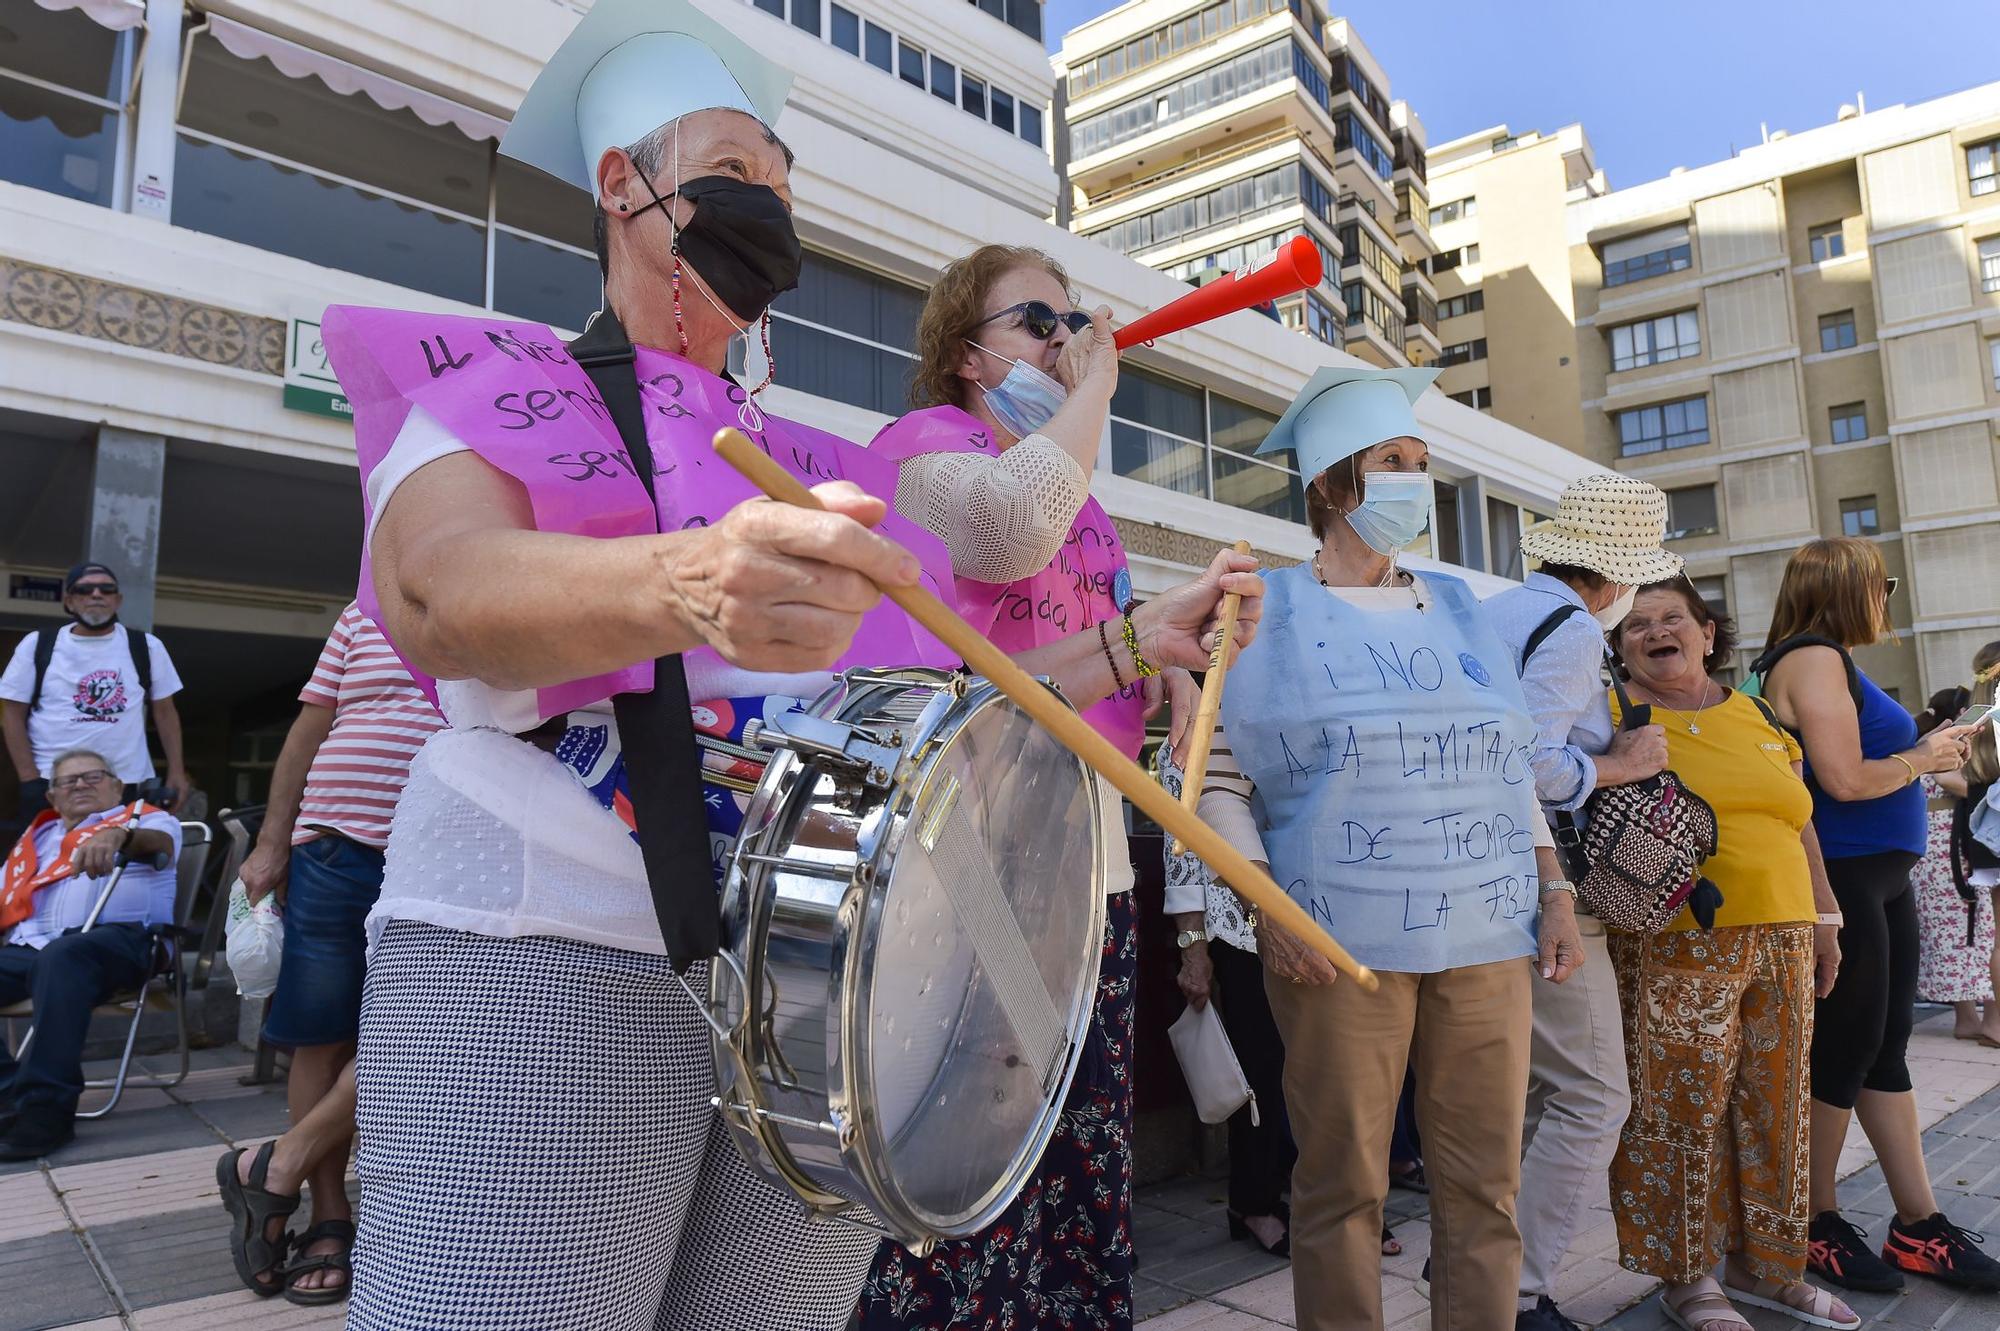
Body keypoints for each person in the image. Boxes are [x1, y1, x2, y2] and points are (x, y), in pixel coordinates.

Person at [322, 5, 1262, 1327]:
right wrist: (682, 582)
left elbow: (940, 695)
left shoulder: (820, 459)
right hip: (557, 930)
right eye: (735, 168)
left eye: (780, 181)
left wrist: (1130, 638)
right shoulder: (495, 385)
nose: (766, 202)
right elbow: (438, 588)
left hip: (816, 980)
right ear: (623, 183)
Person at [1200, 365, 1584, 1331]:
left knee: (1484, 1190)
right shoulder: (1260, 609)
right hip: (1334, 950)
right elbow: (1215, 780)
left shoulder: (1460, 606)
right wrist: (1267, 909)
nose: (1415, 480)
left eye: (1421, 461)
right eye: (1391, 462)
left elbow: (1503, 763)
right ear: (1330, 484)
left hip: (1489, 938)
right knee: (1339, 1191)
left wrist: (1556, 886)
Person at [856, 242, 1174, 1328]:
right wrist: (1092, 387)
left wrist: (1162, 644)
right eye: (1037, 318)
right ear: (965, 354)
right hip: (977, 865)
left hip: (1085, 864)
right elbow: (1003, 533)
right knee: (973, 1161)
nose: (1063, 336)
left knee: (1079, 1159)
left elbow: (1067, 672)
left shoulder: (1085, 499)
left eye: (1072, 317)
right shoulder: (920, 450)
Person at [1606, 582, 1858, 1330]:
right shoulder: (1615, 713)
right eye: (1636, 625)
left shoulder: (1755, 711)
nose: (1655, 632)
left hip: (1784, 930)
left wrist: (1826, 915)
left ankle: (1768, 1266)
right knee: (1681, 1108)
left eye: (1671, 618)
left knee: (1776, 1102)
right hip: (1678, 935)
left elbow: (1799, 817)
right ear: (1620, 648)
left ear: (1707, 633)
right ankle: (1684, 1276)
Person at [1752, 538, 2000, 1294]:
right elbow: (1845, 779)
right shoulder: (1814, 656)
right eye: (1881, 583)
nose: (1887, 595)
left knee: (1883, 1045)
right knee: (1846, 1047)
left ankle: (1918, 1223)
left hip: (1879, 876)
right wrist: (1924, 756)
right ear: (1848, 588)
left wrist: (1939, 757)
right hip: (1845, 880)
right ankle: (1813, 1221)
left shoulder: (1832, 659)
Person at [1480, 472, 1680, 1331]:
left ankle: (1481, 1268)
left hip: (1487, 877)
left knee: (1532, 1094)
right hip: (1548, 879)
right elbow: (1525, 762)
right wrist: (1625, 764)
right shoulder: (1566, 630)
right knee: (1596, 1094)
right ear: (1615, 575)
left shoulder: (1496, 612)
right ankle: (1516, 1290)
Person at [214, 602, 443, 1304]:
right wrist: (273, 840)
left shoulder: (503, 592)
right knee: (322, 1034)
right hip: (334, 845)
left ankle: (274, 1164)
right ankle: (330, 1213)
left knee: (416, 1032)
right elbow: (309, 727)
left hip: (441, 846)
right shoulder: (359, 614)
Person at [0, 747, 182, 1158]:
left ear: (117, 787)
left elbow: (162, 844)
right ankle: (12, 1096)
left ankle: (48, 1109)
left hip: (125, 942)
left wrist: (119, 835)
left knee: (64, 956)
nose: (81, 784)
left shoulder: (145, 819)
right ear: (52, 797)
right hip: (35, 949)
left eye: (94, 776)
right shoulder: (37, 839)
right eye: (69, 780)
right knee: (57, 955)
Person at [1160, 744, 1298, 1260]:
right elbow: (1179, 852)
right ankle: (1253, 1203)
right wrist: (1191, 948)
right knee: (1257, 1074)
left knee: (1308, 1070)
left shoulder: (1282, 711)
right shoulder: (1189, 731)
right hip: (1238, 933)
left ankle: (1309, 1195)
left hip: (1311, 914)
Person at [1, 563, 189, 819]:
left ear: (118, 600)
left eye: (106, 589)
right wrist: (29, 777)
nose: (96, 594)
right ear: (69, 601)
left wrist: (177, 770)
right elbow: (11, 713)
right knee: (50, 859)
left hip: (122, 782)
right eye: (85, 589)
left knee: (116, 858)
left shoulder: (147, 647)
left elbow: (165, 712)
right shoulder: (37, 644)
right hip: (54, 783)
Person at [1907, 652, 2000, 1042]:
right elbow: (1958, 783)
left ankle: (1974, 1019)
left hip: (1947, 844)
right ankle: (1991, 1021)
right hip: (1965, 839)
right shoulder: (1981, 728)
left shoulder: (1961, 729)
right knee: (1984, 932)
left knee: (1974, 933)